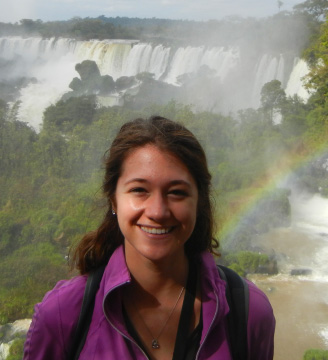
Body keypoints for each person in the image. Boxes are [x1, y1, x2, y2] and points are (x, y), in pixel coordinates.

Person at [23, 116, 275, 360]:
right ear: (113, 199)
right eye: (139, 190)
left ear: (199, 202)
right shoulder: (62, 315)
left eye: (176, 192)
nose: (157, 211)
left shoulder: (247, 313)